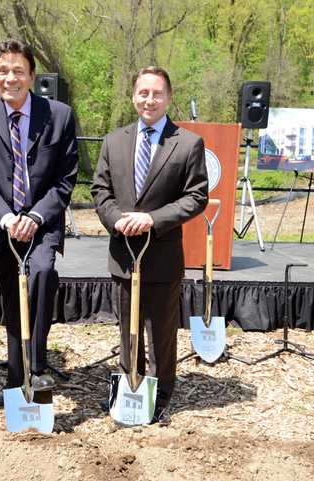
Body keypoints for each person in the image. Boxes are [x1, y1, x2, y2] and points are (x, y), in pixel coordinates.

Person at [0, 39, 78, 407]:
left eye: (18, 71)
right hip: (0, 226)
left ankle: (36, 364)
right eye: (2, 71)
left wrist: (34, 216)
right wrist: (8, 217)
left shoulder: (58, 115)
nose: (10, 78)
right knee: (14, 299)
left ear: (31, 76)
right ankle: (18, 380)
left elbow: (65, 179)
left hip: (41, 224)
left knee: (42, 275)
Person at [91, 66, 209, 423]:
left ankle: (159, 396)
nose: (149, 99)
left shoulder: (187, 143)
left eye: (157, 93)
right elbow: (100, 190)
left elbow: (196, 197)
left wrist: (152, 220)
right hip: (123, 252)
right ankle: (130, 387)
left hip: (160, 255)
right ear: (133, 96)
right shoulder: (114, 141)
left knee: (160, 333)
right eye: (143, 93)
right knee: (128, 330)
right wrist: (117, 219)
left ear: (169, 97)